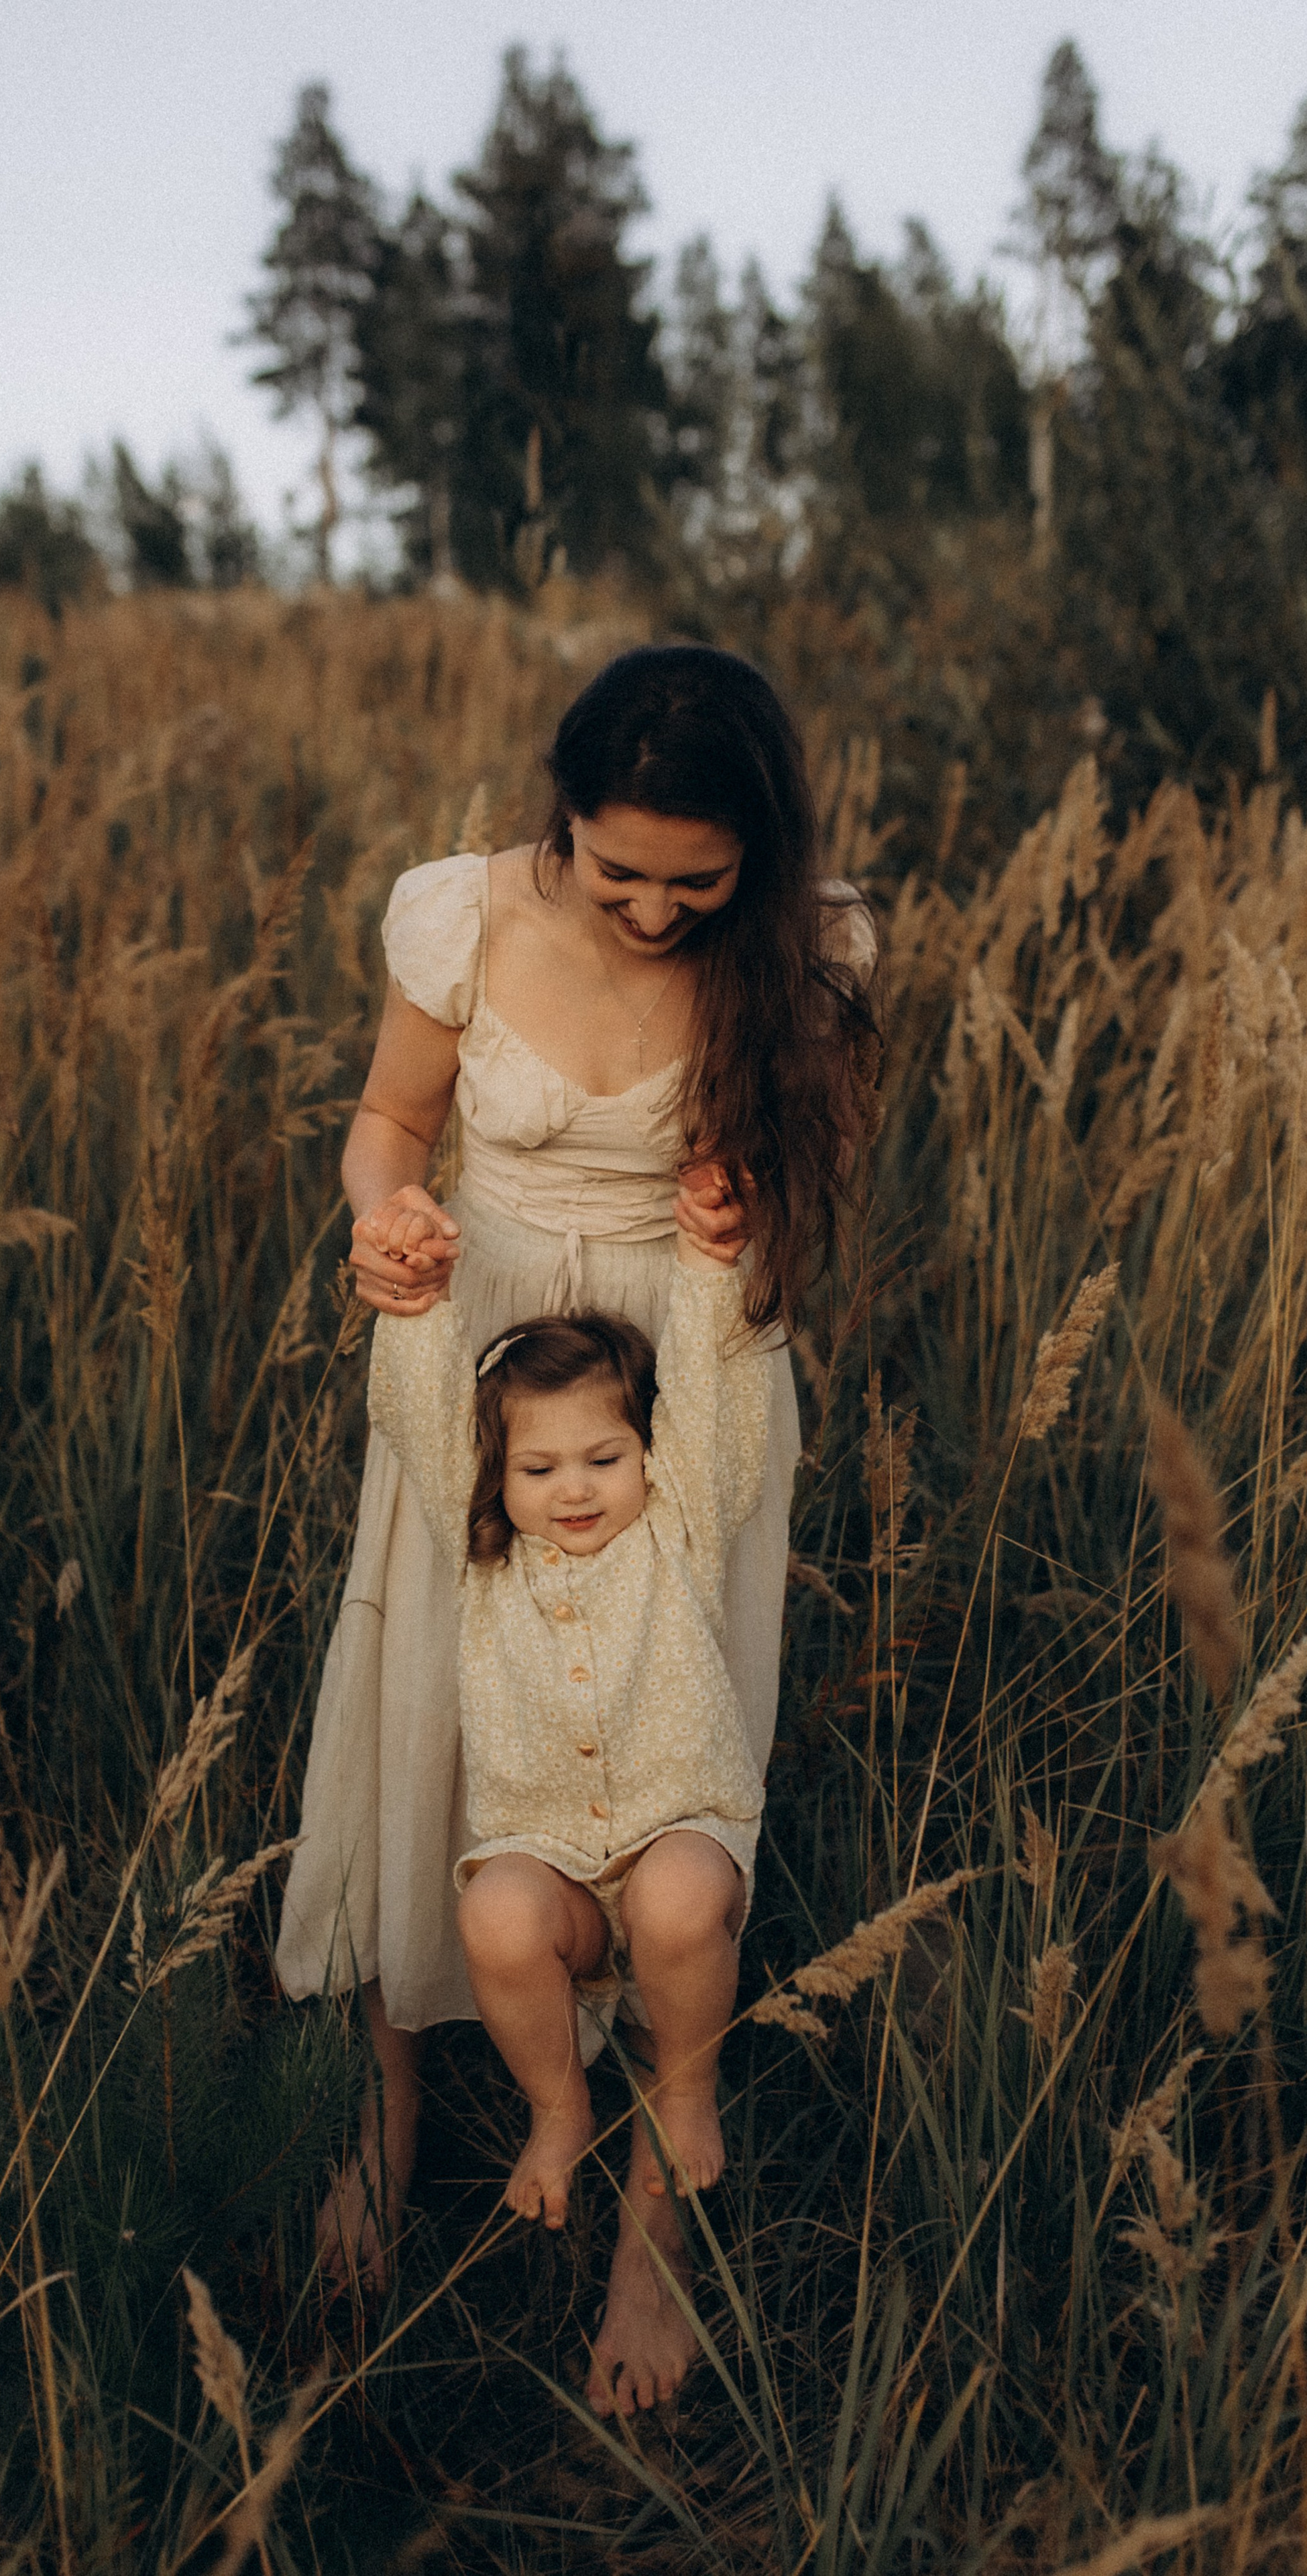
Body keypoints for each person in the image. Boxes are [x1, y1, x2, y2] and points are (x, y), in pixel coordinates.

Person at [274, 643, 878, 2416]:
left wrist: (749, 1218)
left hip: (690, 1377)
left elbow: (802, 1212)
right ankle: (387, 2124)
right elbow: (389, 1127)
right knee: (431, 1711)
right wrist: (387, 1224)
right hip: (489, 1357)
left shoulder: (812, 946)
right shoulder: (462, 918)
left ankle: (651, 2226)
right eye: (619, 872)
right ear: (563, 820)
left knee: (675, 1747)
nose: (656, 910)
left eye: (701, 883)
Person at [366, 1203, 768, 2249]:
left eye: (605, 1458)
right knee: (493, 1916)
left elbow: (716, 1400)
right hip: (548, 1859)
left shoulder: (678, 1523)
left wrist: (710, 1262)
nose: (576, 1490)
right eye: (539, 1472)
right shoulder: (489, 1557)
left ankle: (683, 2091)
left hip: (677, 1835)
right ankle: (558, 2109)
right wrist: (415, 1309)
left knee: (678, 1899)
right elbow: (423, 1418)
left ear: (648, 1452)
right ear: (498, 1482)